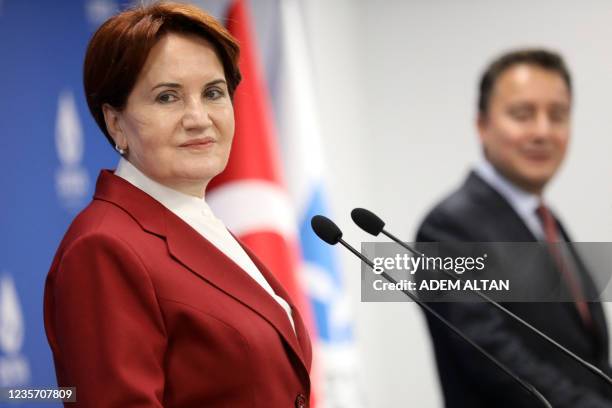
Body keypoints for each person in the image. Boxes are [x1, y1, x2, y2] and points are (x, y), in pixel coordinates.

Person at [43, 3, 311, 407]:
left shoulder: (197, 220)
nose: (199, 117)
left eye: (213, 93)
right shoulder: (103, 248)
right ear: (116, 122)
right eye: (168, 97)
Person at [415, 49, 612, 407]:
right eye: (522, 114)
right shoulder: (446, 228)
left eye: (558, 115)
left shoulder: (547, 222)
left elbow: (585, 359)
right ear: (482, 125)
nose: (542, 131)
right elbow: (495, 360)